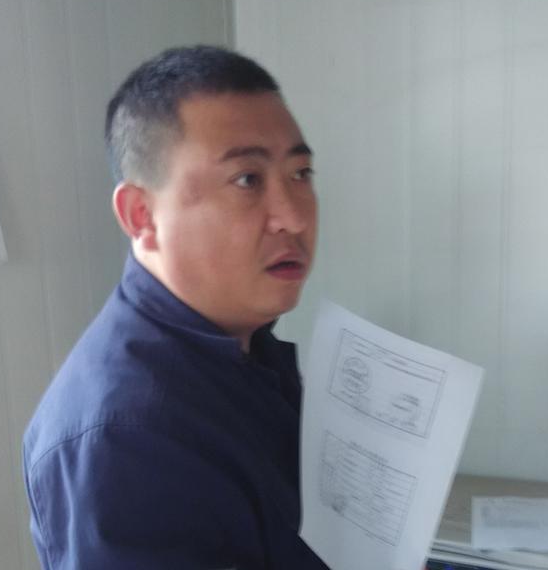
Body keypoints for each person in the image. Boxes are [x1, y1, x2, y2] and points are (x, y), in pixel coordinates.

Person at [22, 45, 329, 569]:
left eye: (300, 173)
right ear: (141, 215)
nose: (294, 218)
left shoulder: (246, 345)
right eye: (247, 180)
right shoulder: (125, 439)